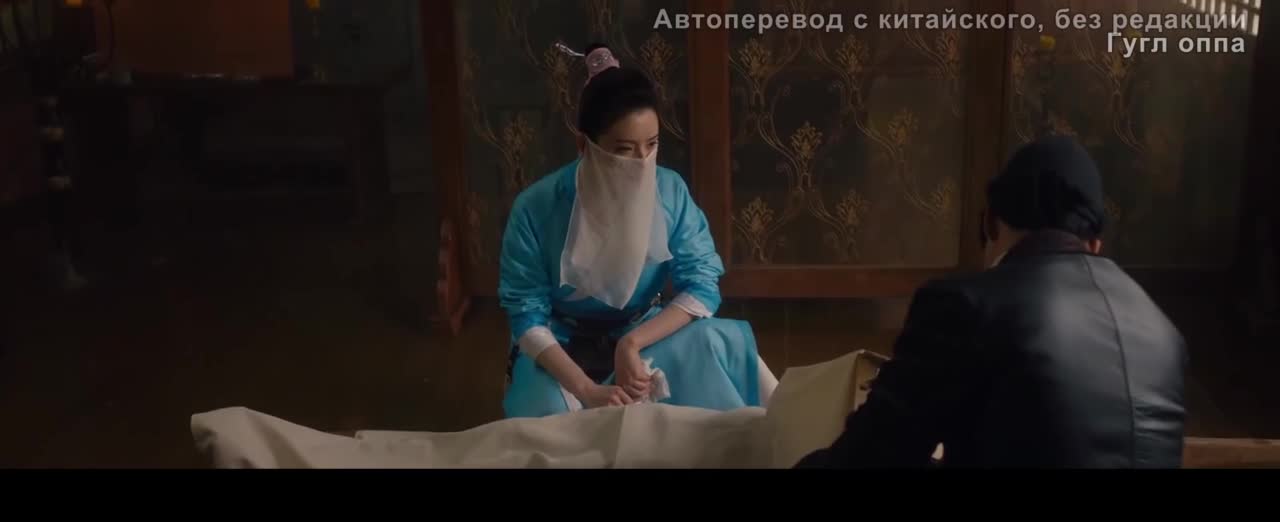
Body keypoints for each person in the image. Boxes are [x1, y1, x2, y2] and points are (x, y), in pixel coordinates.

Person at [796, 136, 1188, 468]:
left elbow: (871, 457)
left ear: (990, 223)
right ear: (1095, 244)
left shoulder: (965, 307)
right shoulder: (1164, 332)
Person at [499, 43, 778, 418]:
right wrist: (587, 389)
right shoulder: (537, 207)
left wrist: (631, 343)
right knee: (553, 420)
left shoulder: (669, 190)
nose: (642, 162)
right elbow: (526, 313)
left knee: (717, 342)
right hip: (561, 343)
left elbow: (701, 283)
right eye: (624, 149)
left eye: (652, 145)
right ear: (583, 144)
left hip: (642, 334)